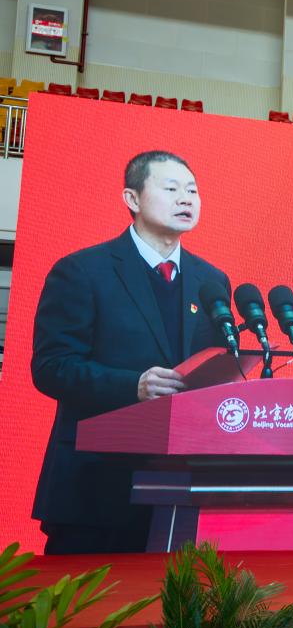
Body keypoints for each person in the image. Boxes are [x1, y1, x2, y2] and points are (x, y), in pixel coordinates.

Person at [31, 150, 231, 554]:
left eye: (192, 190)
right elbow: (51, 367)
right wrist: (133, 386)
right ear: (132, 198)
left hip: (181, 487)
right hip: (95, 487)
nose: (186, 199)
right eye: (171, 188)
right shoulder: (82, 271)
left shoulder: (211, 281)